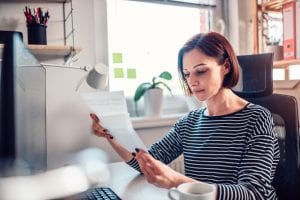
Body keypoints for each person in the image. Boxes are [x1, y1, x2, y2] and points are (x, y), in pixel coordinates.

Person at [90, 32, 280, 200]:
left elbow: (253, 193)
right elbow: (146, 162)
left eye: (201, 71)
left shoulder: (257, 118)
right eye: (187, 74)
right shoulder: (189, 123)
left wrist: (177, 181)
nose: (192, 82)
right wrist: (111, 134)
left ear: (226, 67)